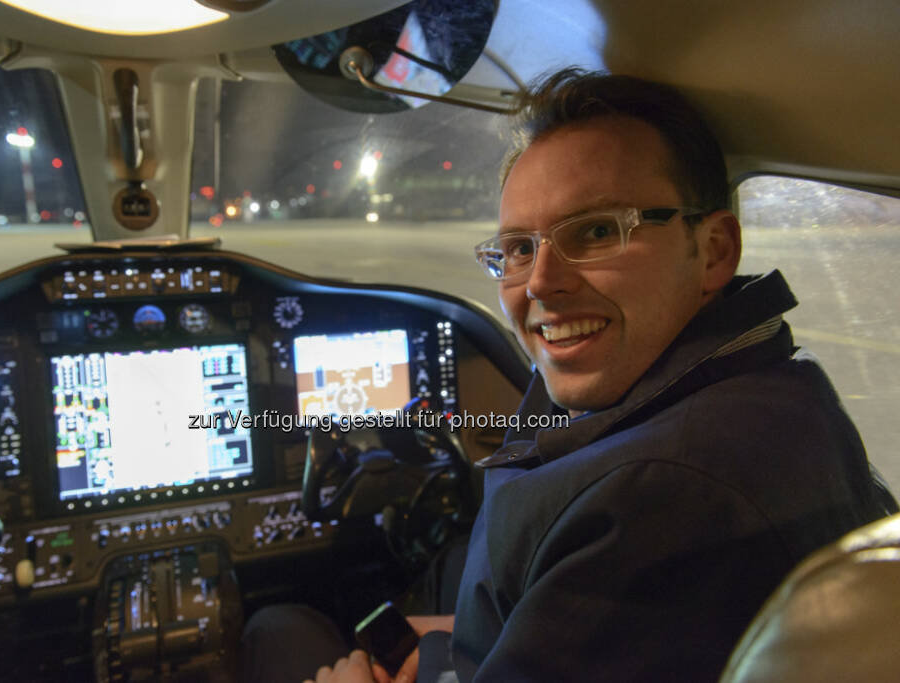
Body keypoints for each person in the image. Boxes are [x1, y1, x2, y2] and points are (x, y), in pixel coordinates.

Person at [277, 67, 896, 683]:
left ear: (713, 250)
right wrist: (463, 643)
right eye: (519, 248)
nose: (542, 282)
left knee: (277, 629)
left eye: (598, 231)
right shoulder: (759, 386)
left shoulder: (661, 496)